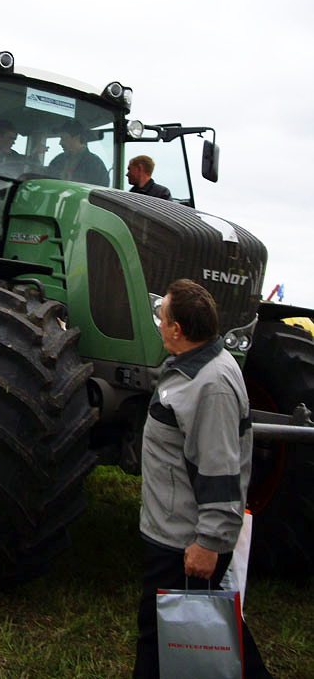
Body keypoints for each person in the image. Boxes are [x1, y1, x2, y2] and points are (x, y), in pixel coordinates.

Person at [133, 279, 271, 678]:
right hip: (176, 535)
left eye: (163, 314)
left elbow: (219, 469)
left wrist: (207, 543)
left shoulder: (211, 385)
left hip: (184, 543)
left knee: (164, 638)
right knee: (206, 633)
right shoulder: (194, 366)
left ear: (178, 330)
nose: (158, 320)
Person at [47, 120, 109, 186]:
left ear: (77, 138)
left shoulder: (95, 163)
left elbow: (100, 190)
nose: (60, 143)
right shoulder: (57, 160)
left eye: (64, 138)